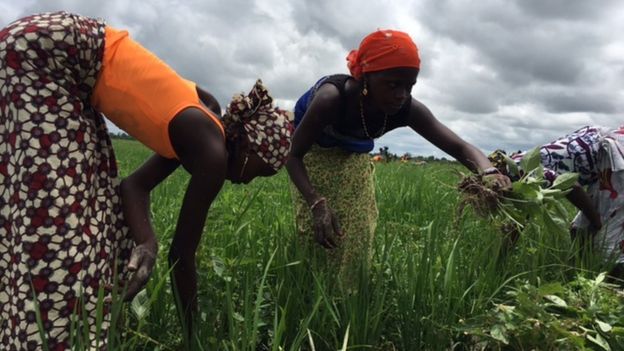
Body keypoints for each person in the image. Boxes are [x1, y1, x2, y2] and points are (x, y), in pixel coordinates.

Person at [0, 11, 293, 350]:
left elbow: (133, 187)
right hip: (46, 55)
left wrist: (146, 242)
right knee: (56, 224)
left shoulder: (203, 124)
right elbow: (182, 257)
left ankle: (78, 328)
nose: (248, 182)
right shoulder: (211, 154)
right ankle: (46, 337)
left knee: (96, 208)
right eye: (260, 170)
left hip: (57, 51)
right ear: (249, 146)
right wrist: (192, 338)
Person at [286, 29, 510, 283]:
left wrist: (489, 172)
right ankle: (309, 291)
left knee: (358, 229)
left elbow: (459, 146)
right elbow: (293, 157)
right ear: (366, 77)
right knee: (316, 230)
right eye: (392, 84)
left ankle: (350, 297)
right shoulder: (331, 99)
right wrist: (316, 202)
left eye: (409, 85)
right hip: (312, 156)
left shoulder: (405, 108)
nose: (401, 94)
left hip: (353, 158)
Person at [489, 126, 624, 277]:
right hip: (599, 151)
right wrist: (498, 262)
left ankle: (613, 285)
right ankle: (580, 273)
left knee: (608, 232)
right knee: (581, 228)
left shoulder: (520, 172)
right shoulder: (514, 179)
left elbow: (572, 186)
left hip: (613, 151)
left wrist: (596, 221)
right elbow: (518, 222)